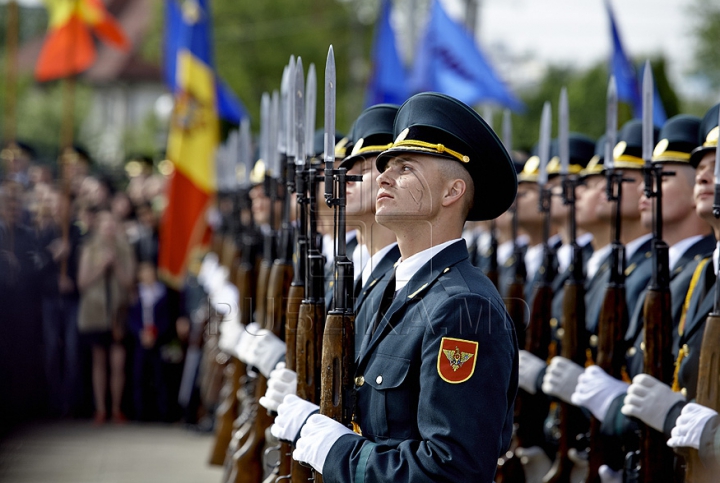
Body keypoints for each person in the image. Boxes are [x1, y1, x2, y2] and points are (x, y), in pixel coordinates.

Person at [274, 92, 519, 482]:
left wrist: (338, 452)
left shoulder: (463, 307)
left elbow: (452, 469)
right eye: (386, 165)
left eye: (405, 167)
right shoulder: (385, 285)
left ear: (452, 192)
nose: (384, 175)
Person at [77, 210, 135, 424]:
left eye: (112, 223)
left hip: (118, 313)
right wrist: (101, 266)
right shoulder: (89, 249)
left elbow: (130, 282)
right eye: (105, 224)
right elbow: (82, 283)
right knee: (99, 361)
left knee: (118, 362)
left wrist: (116, 264)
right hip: (95, 311)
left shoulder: (125, 249)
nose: (109, 228)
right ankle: (100, 408)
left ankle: (117, 408)